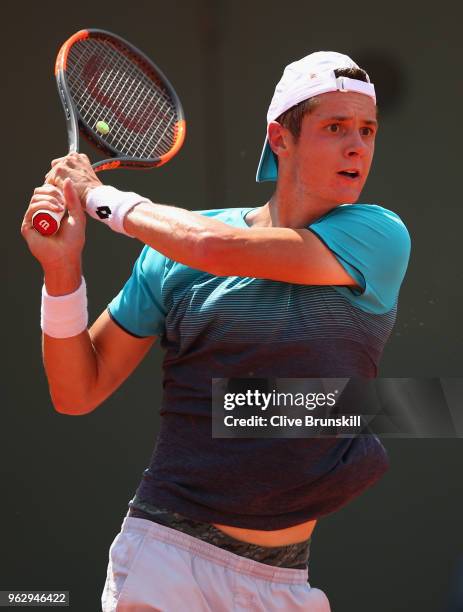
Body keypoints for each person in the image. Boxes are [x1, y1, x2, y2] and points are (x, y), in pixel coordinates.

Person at [21, 51, 411, 611]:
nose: (357, 147)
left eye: (367, 130)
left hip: (285, 582)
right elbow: (77, 390)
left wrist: (100, 198)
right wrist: (62, 272)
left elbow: (214, 249)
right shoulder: (170, 256)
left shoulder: (380, 236)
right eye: (334, 128)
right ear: (281, 138)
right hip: (166, 555)